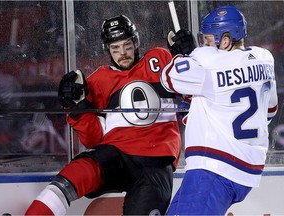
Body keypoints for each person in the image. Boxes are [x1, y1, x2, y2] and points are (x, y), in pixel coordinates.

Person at [25, 15, 186, 215]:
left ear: (135, 42)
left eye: (127, 45)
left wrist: (188, 57)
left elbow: (191, 91)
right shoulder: (98, 80)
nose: (122, 53)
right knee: (68, 179)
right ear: (107, 50)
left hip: (157, 162)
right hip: (116, 156)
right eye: (115, 48)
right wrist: (77, 109)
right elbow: (93, 138)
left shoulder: (160, 59)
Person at [162, 5, 278, 215]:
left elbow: (168, 78)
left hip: (214, 170)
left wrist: (182, 55)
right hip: (247, 172)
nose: (205, 45)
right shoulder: (264, 59)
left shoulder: (209, 62)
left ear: (224, 41)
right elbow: (269, 111)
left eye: (207, 40)